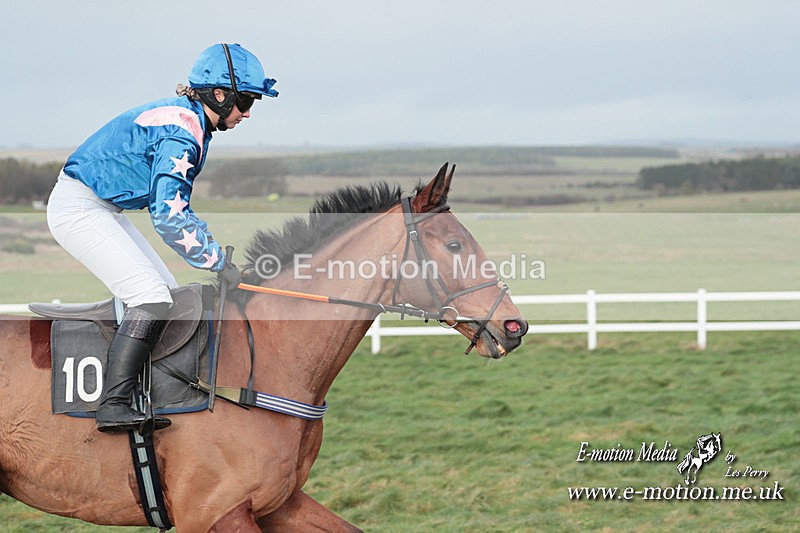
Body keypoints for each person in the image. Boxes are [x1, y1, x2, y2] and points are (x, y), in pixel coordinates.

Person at [46, 43, 278, 433]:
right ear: (219, 95)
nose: (248, 112)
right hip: (79, 208)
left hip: (99, 207)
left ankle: (147, 391)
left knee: (166, 295)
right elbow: (169, 217)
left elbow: (179, 210)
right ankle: (113, 404)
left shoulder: (191, 121)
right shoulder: (184, 133)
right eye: (245, 101)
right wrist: (217, 263)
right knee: (149, 296)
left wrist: (217, 257)